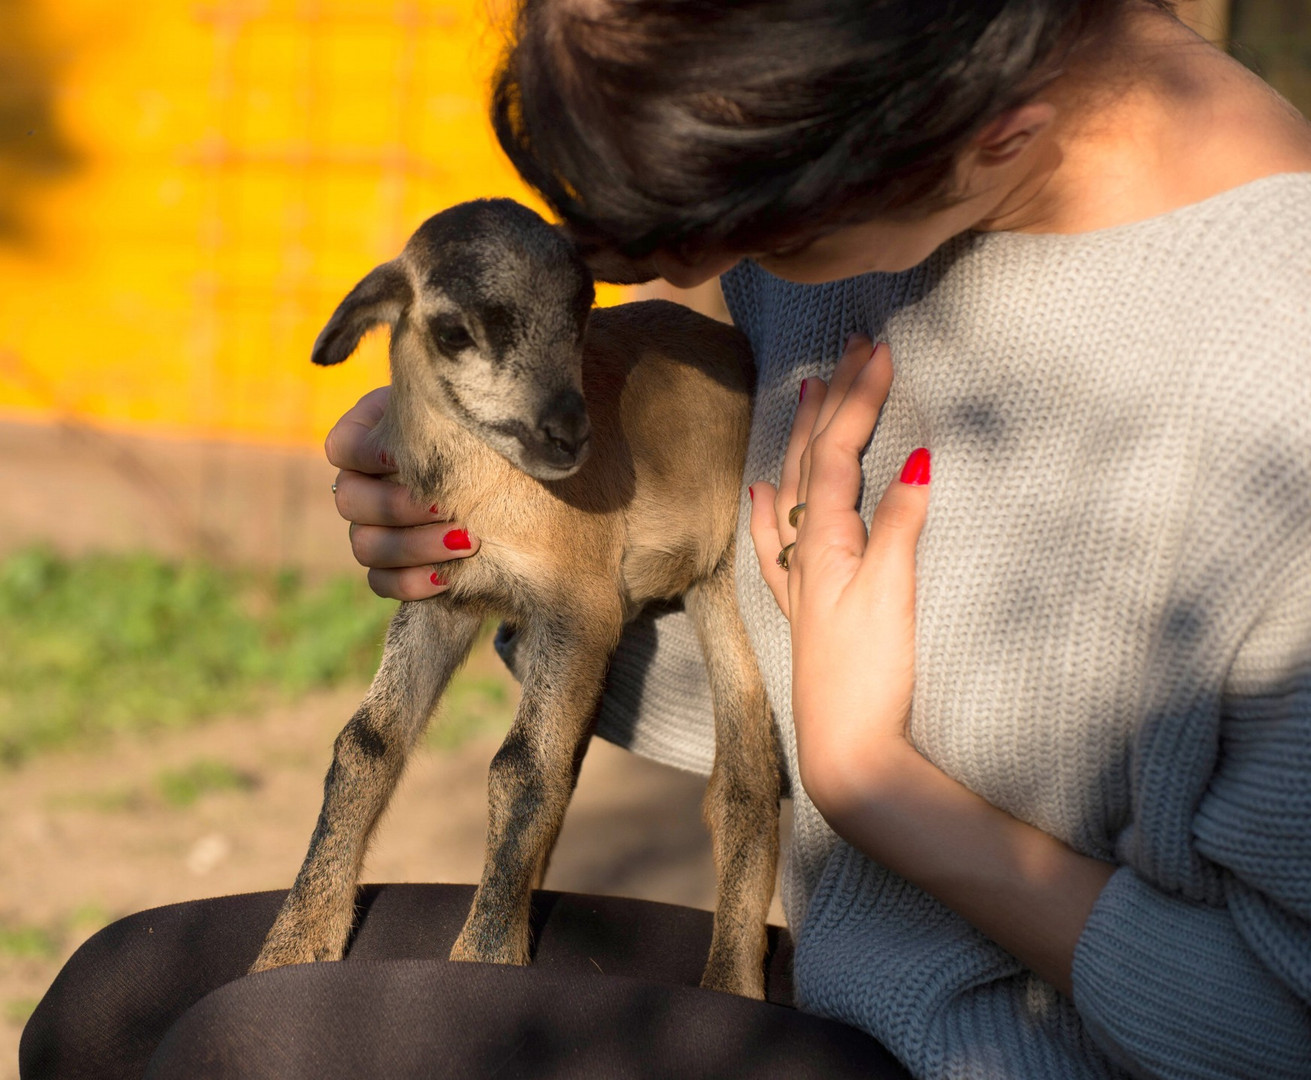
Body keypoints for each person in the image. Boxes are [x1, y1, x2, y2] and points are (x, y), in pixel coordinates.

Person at [22, 1, 1311, 1077]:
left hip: (1011, 1051)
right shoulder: (847, 191)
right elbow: (727, 580)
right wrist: (495, 518)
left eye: (737, 232)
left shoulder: (1275, 393)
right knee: (115, 1004)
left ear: (993, 138)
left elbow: (1272, 1032)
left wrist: (875, 779)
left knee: (251, 1052)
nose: (681, 269)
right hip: (844, 987)